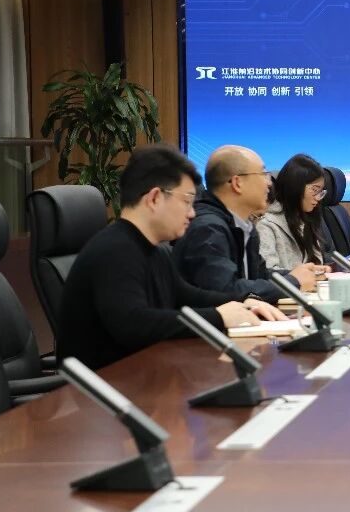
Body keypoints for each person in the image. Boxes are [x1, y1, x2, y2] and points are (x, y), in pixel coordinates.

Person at [58, 145, 284, 370]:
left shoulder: (154, 250)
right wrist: (219, 316)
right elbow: (134, 324)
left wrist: (242, 304)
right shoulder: (114, 250)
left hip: (146, 374)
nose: (192, 213)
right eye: (187, 201)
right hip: (107, 384)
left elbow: (189, 295)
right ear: (155, 198)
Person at [174, 145, 325, 302]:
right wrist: (293, 282)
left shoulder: (243, 226)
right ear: (237, 183)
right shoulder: (208, 229)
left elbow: (260, 276)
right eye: (263, 174)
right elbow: (226, 291)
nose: (269, 183)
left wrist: (297, 275)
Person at [258, 154, 332, 272]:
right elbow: (268, 274)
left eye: (320, 192)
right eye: (314, 190)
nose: (318, 198)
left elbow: (316, 265)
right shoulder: (266, 225)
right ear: (295, 187)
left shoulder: (305, 219)